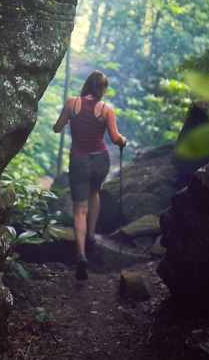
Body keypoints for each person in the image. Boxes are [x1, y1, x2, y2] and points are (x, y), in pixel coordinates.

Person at [53, 70, 127, 280]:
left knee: (79, 208)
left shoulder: (71, 103)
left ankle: (81, 253)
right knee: (95, 192)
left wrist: (66, 122)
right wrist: (124, 140)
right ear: (102, 89)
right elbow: (115, 138)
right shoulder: (106, 108)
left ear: (86, 85)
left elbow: (57, 128)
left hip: (79, 161)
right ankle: (92, 236)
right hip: (100, 161)